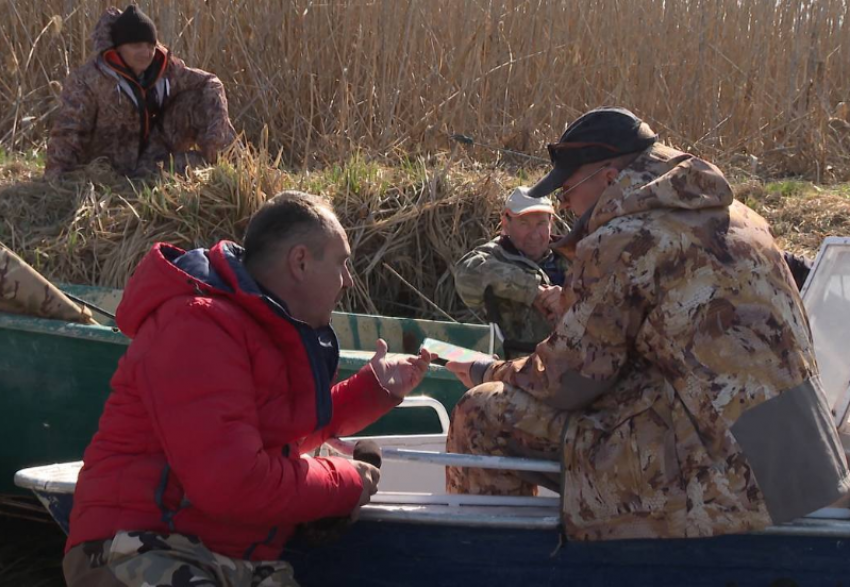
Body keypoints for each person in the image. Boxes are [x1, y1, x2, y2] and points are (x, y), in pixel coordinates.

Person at [445, 107, 850, 540]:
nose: (564, 205)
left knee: (482, 410)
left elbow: (569, 380)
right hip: (807, 470)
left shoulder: (622, 238)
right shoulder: (743, 219)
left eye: (567, 189)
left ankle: (492, 566)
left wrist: (487, 370)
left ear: (606, 176)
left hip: (725, 485)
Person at [62, 191, 433, 586]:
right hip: (145, 545)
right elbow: (234, 481)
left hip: (222, 554)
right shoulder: (196, 328)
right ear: (300, 262)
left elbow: (277, 433)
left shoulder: (257, 325)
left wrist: (372, 389)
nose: (347, 281)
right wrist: (346, 482)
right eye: (341, 263)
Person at [45, 5, 236, 179]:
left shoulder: (166, 69)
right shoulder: (88, 80)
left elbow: (210, 81)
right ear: (118, 48)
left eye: (150, 46)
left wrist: (215, 135)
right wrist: (56, 179)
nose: (146, 53)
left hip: (152, 159)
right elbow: (69, 130)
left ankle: (234, 175)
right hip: (107, 170)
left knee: (199, 98)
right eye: (136, 46)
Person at [454, 187, 569, 358]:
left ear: (551, 222)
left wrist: (569, 298)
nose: (535, 234)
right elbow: (467, 275)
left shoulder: (575, 255)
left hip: (572, 368)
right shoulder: (495, 256)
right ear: (506, 223)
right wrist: (534, 290)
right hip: (513, 369)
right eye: (525, 224)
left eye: (541, 224)